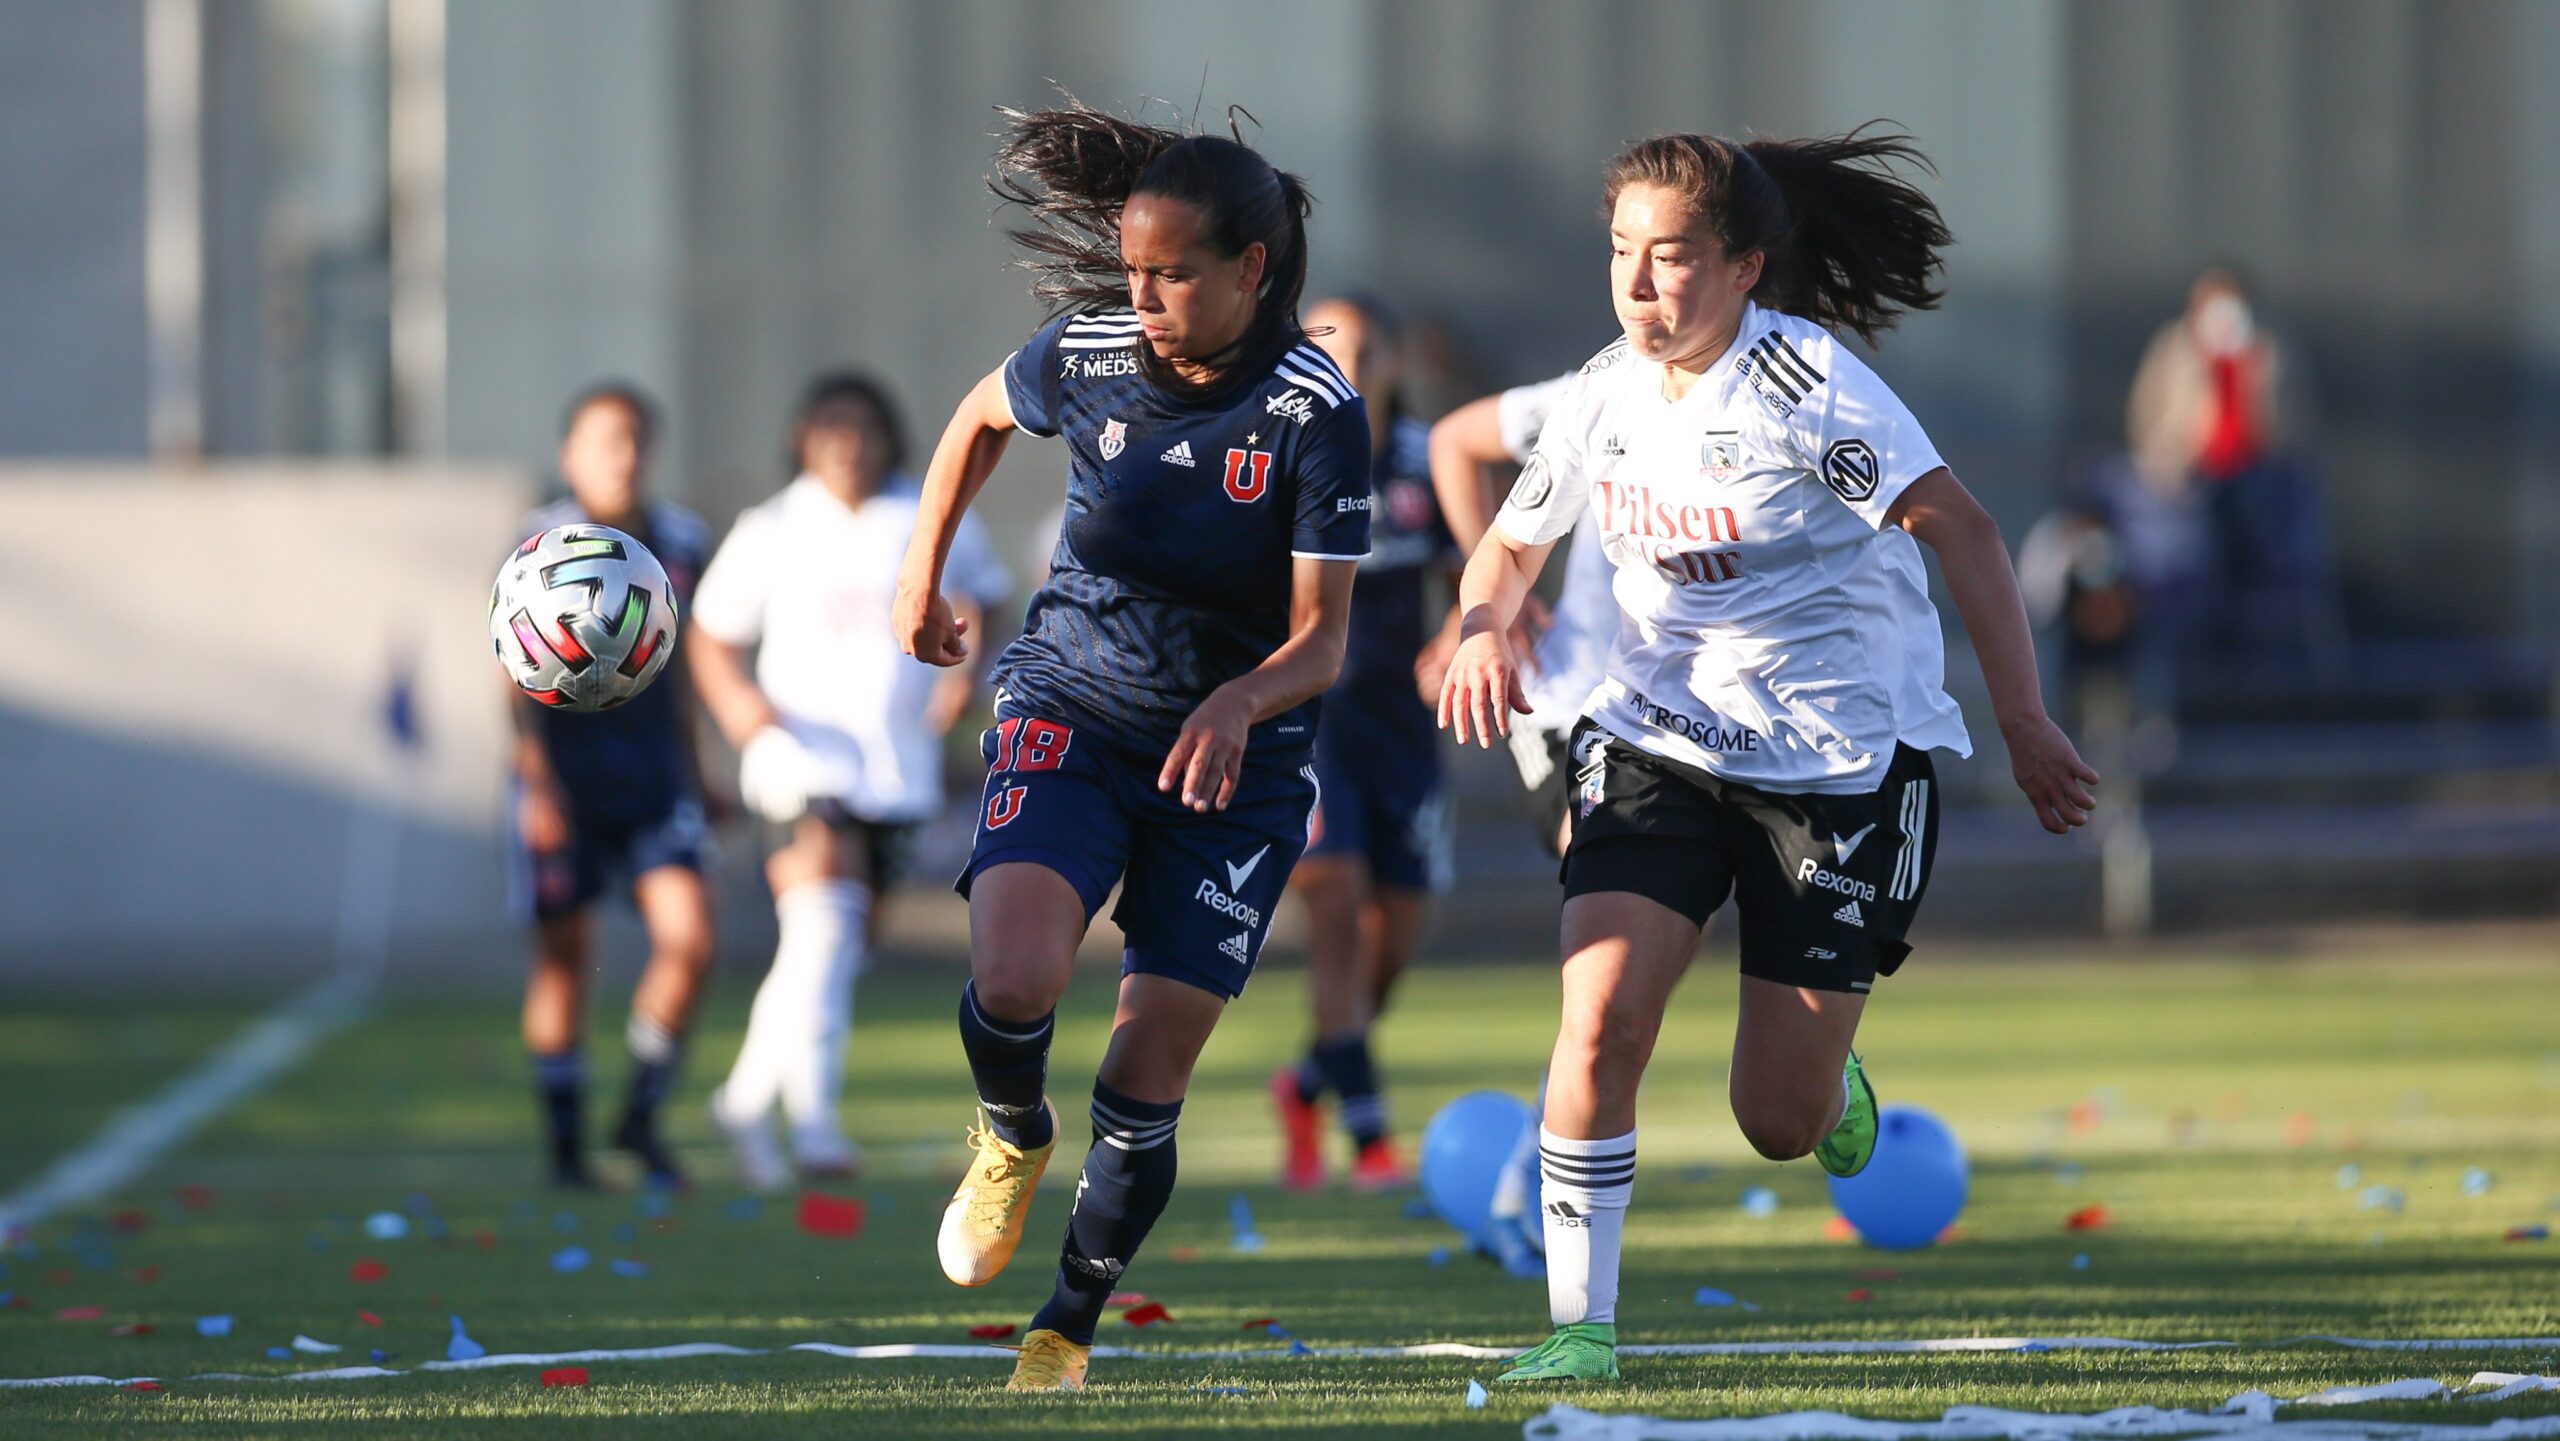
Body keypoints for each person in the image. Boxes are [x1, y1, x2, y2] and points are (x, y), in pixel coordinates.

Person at [1439, 130, 2100, 1383]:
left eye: (1672, 256)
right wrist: (1481, 624)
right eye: (1622, 253)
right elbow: (1511, 547)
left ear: (1744, 267)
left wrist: (2021, 719)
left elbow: (1958, 527)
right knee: (1597, 1027)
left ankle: (1827, 1076)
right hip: (1653, 745)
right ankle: (1581, 1331)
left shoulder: (1805, 388)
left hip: (1838, 767)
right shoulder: (1601, 393)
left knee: (1776, 1120)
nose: (1639, 284)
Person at [893, 101, 1370, 1392]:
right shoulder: (1090, 353)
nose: (1141, 297)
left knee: (1149, 1058)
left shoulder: (1316, 411)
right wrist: (918, 572)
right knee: (1015, 975)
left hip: (1236, 768)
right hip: (1074, 705)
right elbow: (975, 420)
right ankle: (1007, 1132)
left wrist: (1235, 703)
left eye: (1171, 274)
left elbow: (1323, 642)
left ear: (1250, 272)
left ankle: (1066, 1322)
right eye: (1133, 269)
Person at [688, 372, 1013, 1191]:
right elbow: (712, 634)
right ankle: (818, 1122)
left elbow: (990, 600)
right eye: (828, 423)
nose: (846, 440)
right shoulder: (772, 528)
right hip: (802, 761)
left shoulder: (921, 513)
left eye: (862, 424)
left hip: (893, 766)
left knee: (834, 946)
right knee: (825, 930)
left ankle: (745, 1097)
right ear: (802, 436)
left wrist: (961, 681)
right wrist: (743, 717)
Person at [508, 381, 716, 1189]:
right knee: (564, 956)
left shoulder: (683, 541)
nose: (620, 456)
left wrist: (704, 773)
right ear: (570, 455)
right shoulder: (540, 542)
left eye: (633, 439)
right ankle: (565, 1149)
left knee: (690, 938)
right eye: (603, 440)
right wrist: (536, 785)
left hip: (655, 778)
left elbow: (690, 663)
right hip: (567, 780)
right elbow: (511, 670)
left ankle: (638, 1114)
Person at [1269, 292, 1452, 1194]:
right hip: (1305, 722)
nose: (1337, 368)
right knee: (1334, 902)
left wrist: (1466, 634)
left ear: (1388, 365)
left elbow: (1478, 578)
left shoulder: (1429, 461)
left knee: (1395, 935)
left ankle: (1307, 1084)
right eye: (1317, 349)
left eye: (1356, 352)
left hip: (1401, 728)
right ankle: (1370, 1134)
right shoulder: (1270, 458)